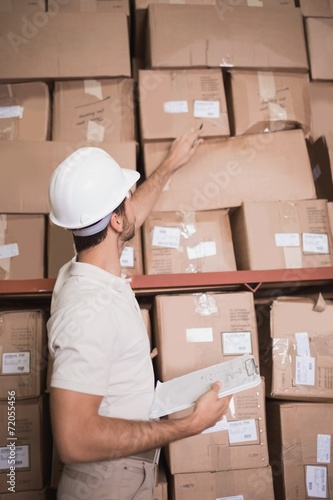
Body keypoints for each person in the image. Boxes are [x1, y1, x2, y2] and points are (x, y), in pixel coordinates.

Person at [47, 128, 232, 500]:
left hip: (118, 477)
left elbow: (128, 217)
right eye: (127, 197)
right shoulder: (89, 310)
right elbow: (73, 439)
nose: (133, 201)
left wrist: (168, 167)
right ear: (116, 221)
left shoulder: (84, 271)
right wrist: (188, 426)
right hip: (106, 485)